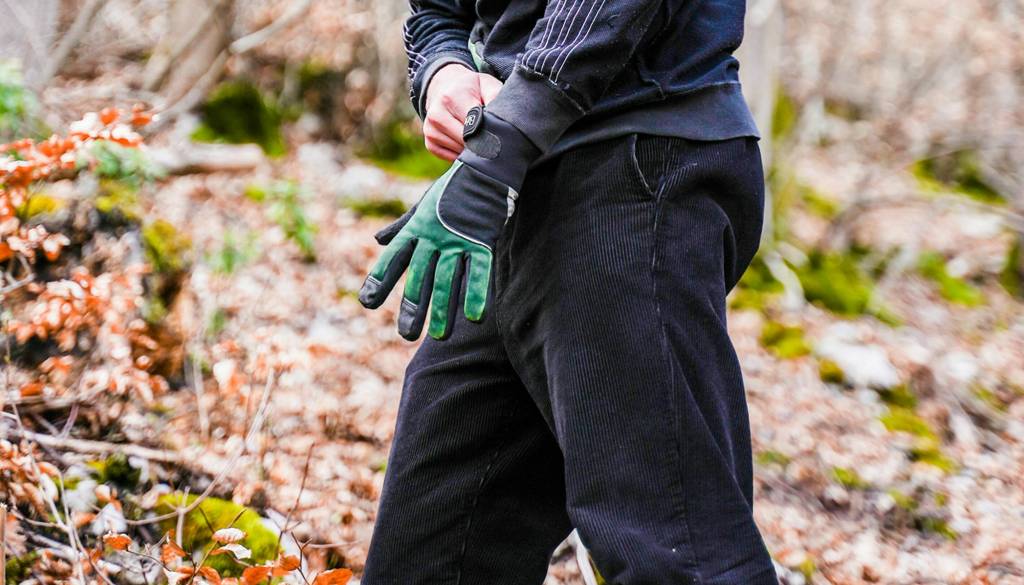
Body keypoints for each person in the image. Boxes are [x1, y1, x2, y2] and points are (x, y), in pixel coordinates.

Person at [357, 0, 778, 582]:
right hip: (511, 188)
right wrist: (443, 69)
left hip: (634, 164)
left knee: (678, 556)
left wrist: (497, 149)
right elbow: (435, 10)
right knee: (433, 550)